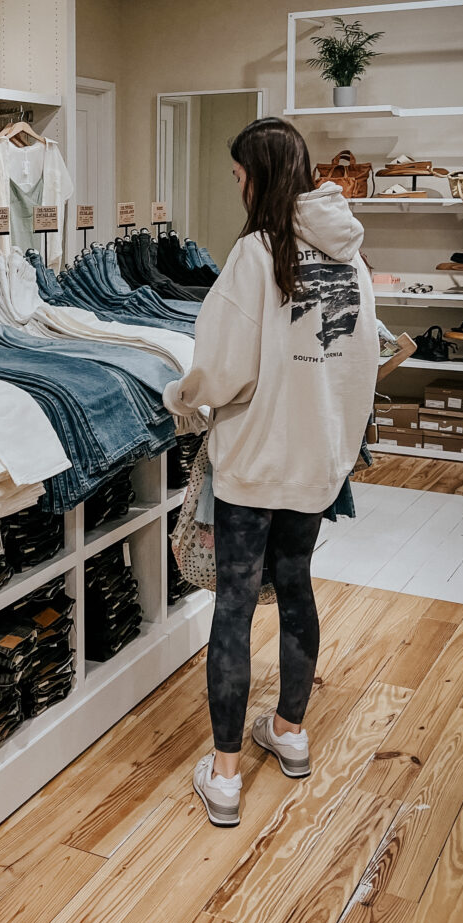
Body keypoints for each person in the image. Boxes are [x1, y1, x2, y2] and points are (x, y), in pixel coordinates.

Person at [163, 117, 378, 826]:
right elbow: (361, 366)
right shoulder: (352, 259)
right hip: (317, 461)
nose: (237, 189)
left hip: (253, 463)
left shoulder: (256, 255)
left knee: (232, 603)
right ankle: (289, 734)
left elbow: (219, 370)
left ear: (257, 175)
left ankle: (224, 775)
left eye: (237, 177)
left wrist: (184, 398)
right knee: (296, 588)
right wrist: (340, 447)